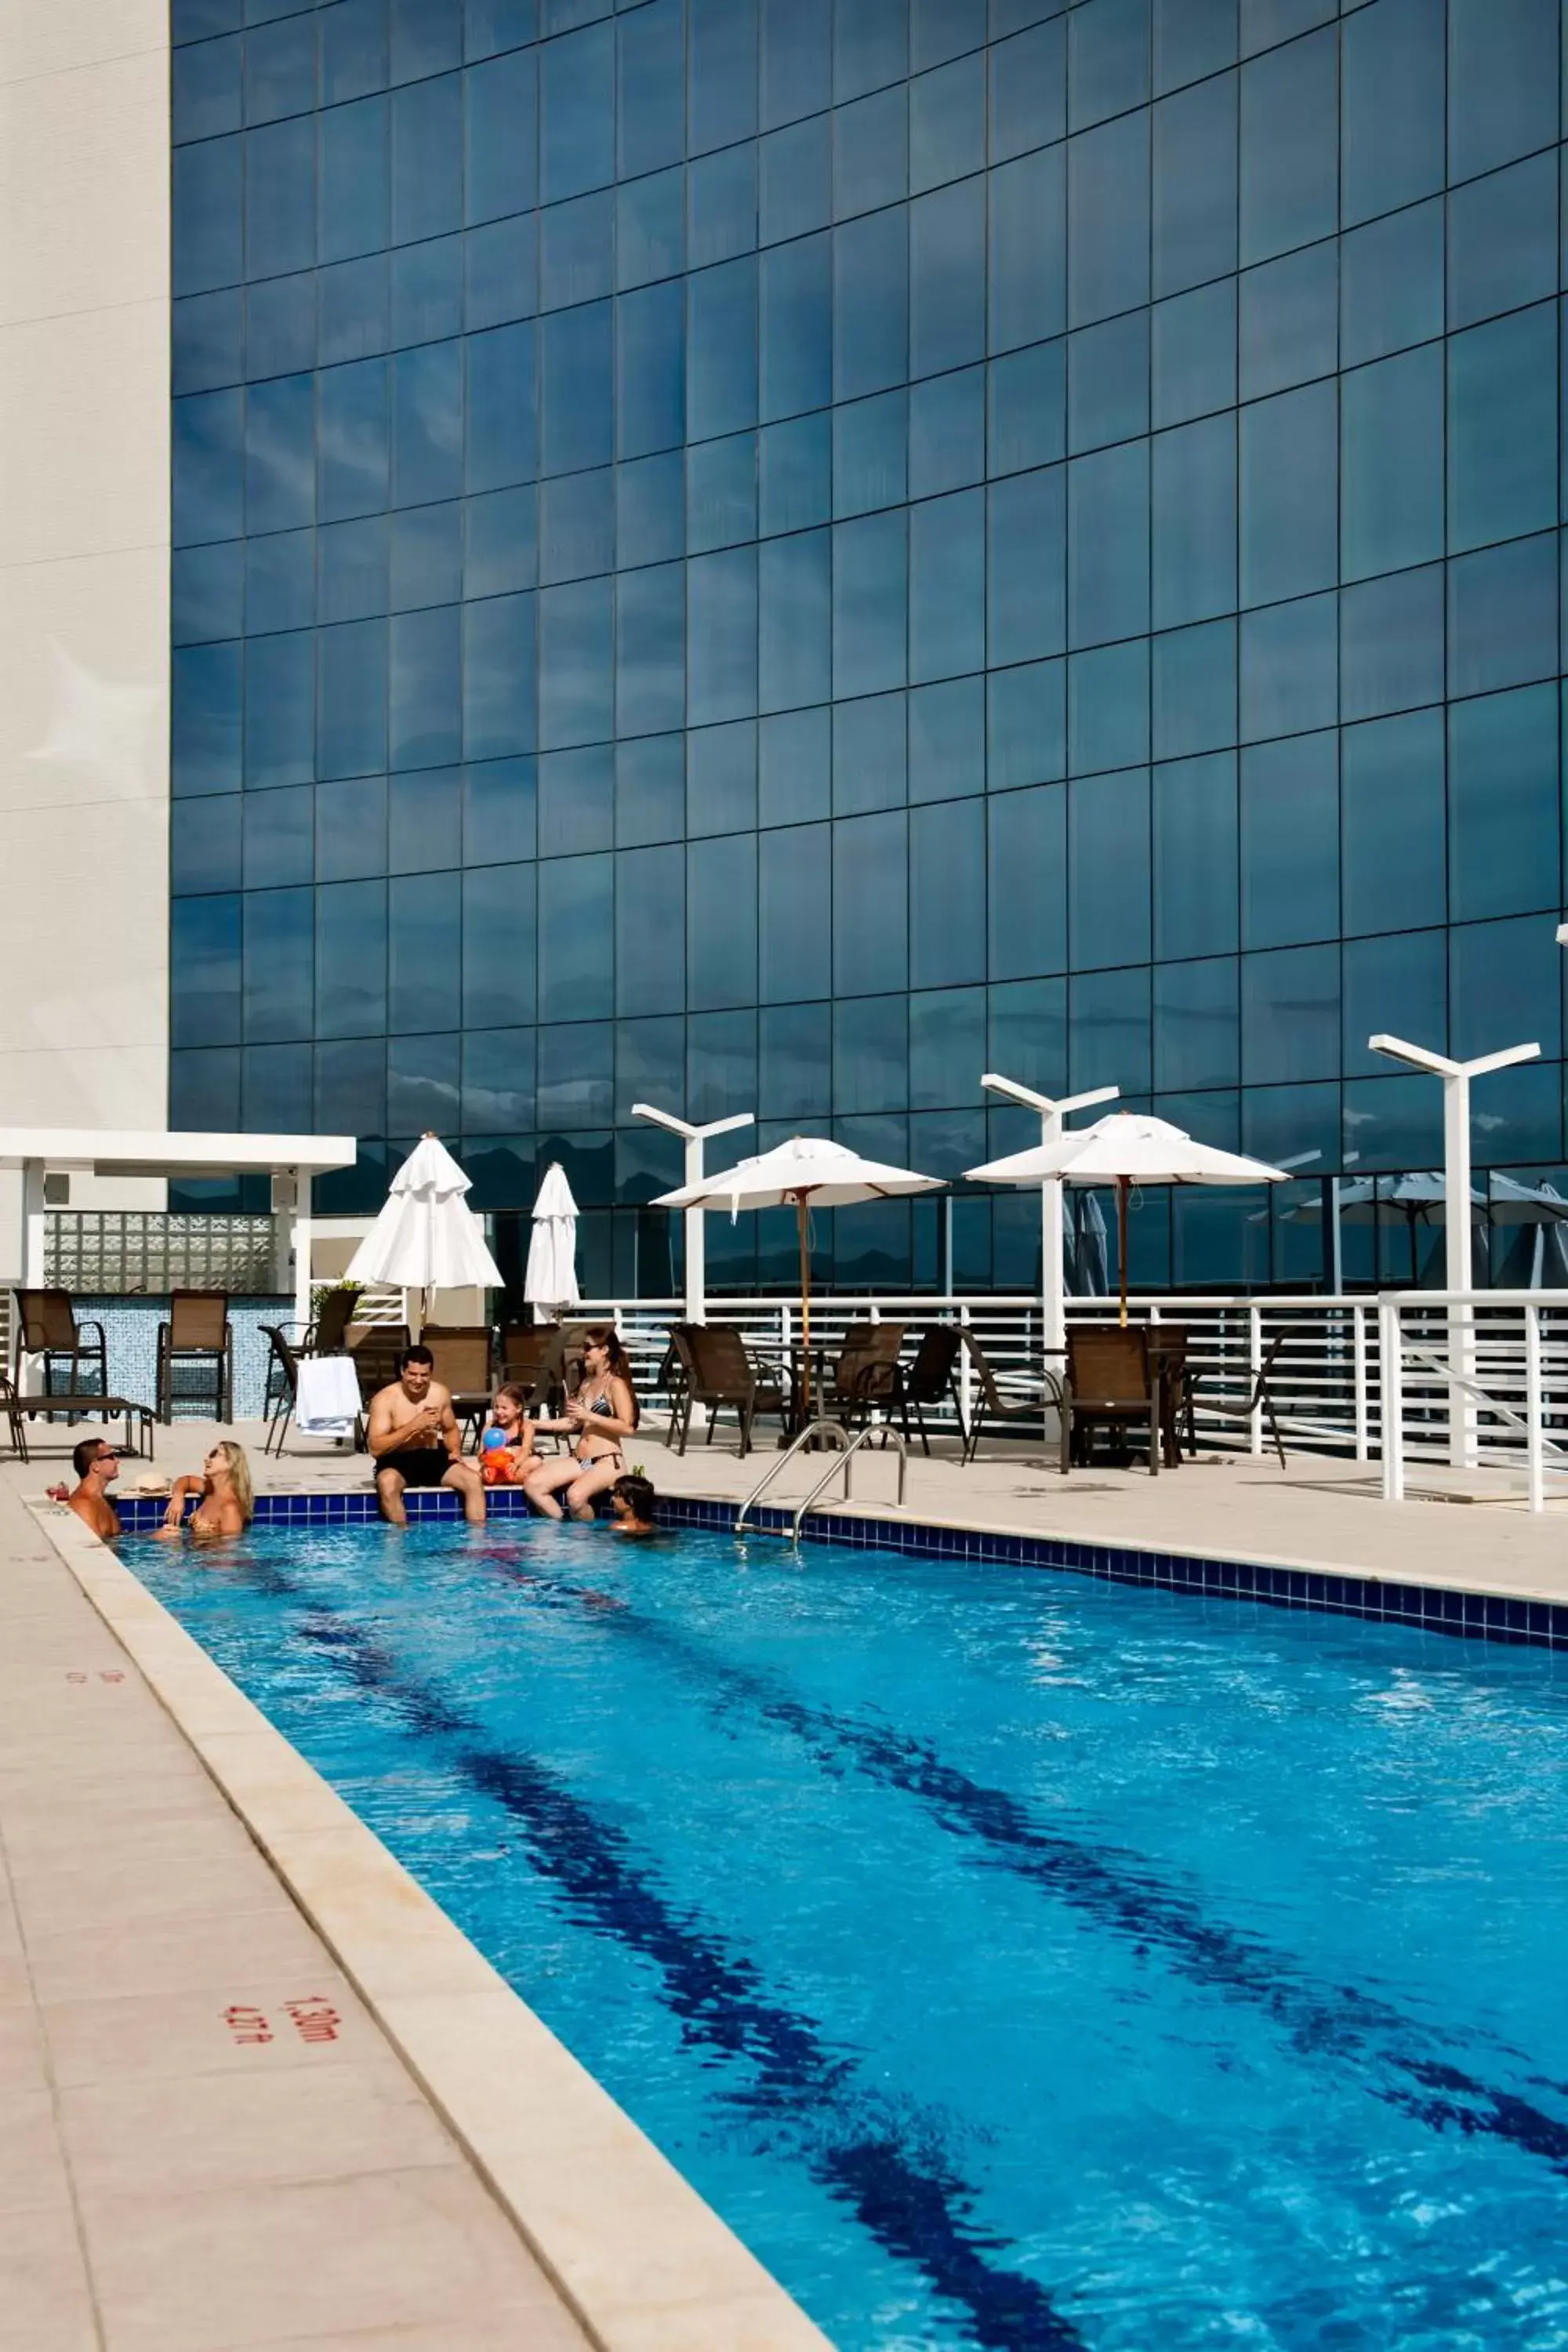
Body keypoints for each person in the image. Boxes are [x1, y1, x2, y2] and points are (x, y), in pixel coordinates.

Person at [524, 1327, 638, 1523]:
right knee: (534, 1483)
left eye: (587, 1347)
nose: (582, 1352)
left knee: (575, 1496)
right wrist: (531, 1423)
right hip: (583, 1461)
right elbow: (572, 1423)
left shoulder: (615, 1384)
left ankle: (589, 1541)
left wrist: (589, 1416)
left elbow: (627, 1427)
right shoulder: (587, 1383)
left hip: (607, 1461)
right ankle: (564, 1531)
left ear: (604, 1350)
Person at [367, 1343, 485, 1526]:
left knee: (473, 1480)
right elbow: (375, 1447)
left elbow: (450, 1428)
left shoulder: (439, 1393)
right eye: (413, 1374)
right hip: (398, 1459)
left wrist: (455, 1451)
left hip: (432, 1457)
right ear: (402, 1372)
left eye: (424, 1375)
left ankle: (478, 1542)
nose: (418, 1380)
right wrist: (413, 1426)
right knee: (387, 1484)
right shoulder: (385, 1399)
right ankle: (402, 1542)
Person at [157, 1440, 254, 1541]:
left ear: (231, 1463)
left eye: (216, 1455)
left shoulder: (230, 1509)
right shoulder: (211, 1489)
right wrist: (178, 1497)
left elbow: (228, 1553)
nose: (207, 1459)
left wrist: (178, 1541)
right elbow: (186, 1481)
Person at [477, 1382, 539, 1486]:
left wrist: (515, 1464)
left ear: (518, 1409)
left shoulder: (526, 1426)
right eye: (496, 1407)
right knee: (466, 1467)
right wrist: (486, 1465)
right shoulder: (490, 1426)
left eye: (504, 1408)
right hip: (494, 1467)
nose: (499, 1411)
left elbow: (525, 1450)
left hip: (516, 1468)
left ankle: (500, 1479)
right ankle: (507, 1479)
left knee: (536, 1462)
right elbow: (481, 1453)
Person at [64, 1436, 122, 1539]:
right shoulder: (84, 1506)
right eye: (111, 1457)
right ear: (95, 1466)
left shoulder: (98, 1499)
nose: (117, 1461)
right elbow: (93, 1551)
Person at [609, 1471, 656, 1537]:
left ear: (630, 1501)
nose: (613, 1498)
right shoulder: (652, 1526)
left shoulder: (618, 1527)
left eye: (617, 1495)